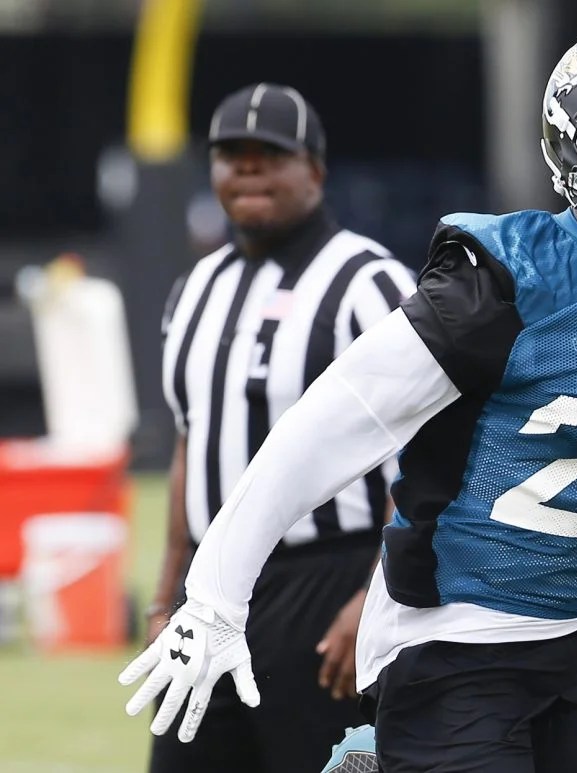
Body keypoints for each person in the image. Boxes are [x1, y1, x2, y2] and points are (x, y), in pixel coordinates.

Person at [121, 26, 577, 772]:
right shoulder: (502, 280)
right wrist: (216, 591)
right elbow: (335, 423)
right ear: (574, 146)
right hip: (450, 633)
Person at [143, 83, 415, 773]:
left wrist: (376, 597)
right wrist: (163, 595)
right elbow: (189, 443)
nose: (250, 170)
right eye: (233, 156)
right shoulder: (194, 288)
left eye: (271, 155)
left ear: (316, 170)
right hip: (212, 586)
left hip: (326, 583)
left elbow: (426, 449)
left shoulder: (371, 281)